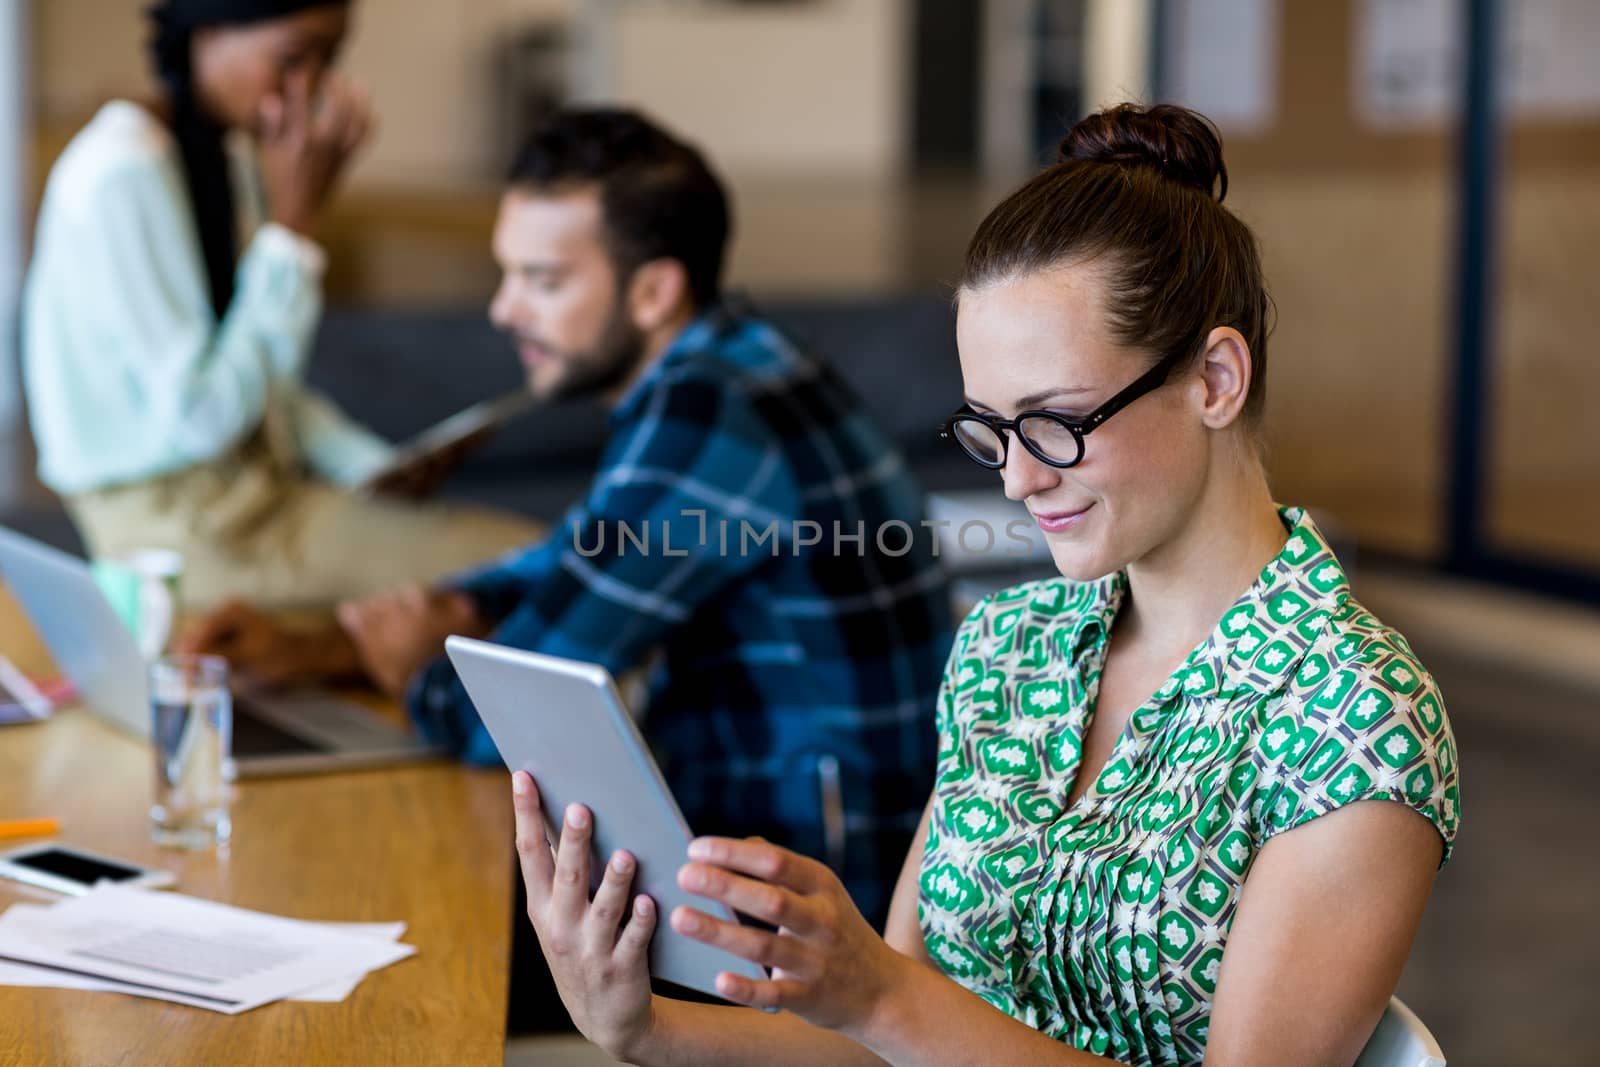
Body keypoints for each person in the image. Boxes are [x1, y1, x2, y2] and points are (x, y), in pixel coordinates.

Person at [507, 103, 1462, 1067]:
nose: (1015, 478)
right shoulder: (1012, 643)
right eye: (989, 430)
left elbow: (896, 1013)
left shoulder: (1354, 718)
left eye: (1054, 423)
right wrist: (638, 1027)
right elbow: (892, 1049)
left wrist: (879, 994)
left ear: (1216, 378)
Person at [185, 107, 954, 928]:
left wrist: (419, 670)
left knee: (364, 899)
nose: (505, 310)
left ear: (654, 289)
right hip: (772, 858)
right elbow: (576, 558)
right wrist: (330, 643)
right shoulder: (739, 360)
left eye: (543, 281)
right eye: (507, 273)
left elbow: (511, 722)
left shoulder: (710, 414)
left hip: (805, 919)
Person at [21, 0, 539, 609]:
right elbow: (204, 419)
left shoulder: (217, 154)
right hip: (188, 539)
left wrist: (370, 467)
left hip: (258, 505)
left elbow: (263, 380)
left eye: (328, 59)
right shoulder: (121, 174)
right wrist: (294, 226)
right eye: (292, 57)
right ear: (207, 28)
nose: (310, 87)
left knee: (519, 554)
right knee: (520, 565)